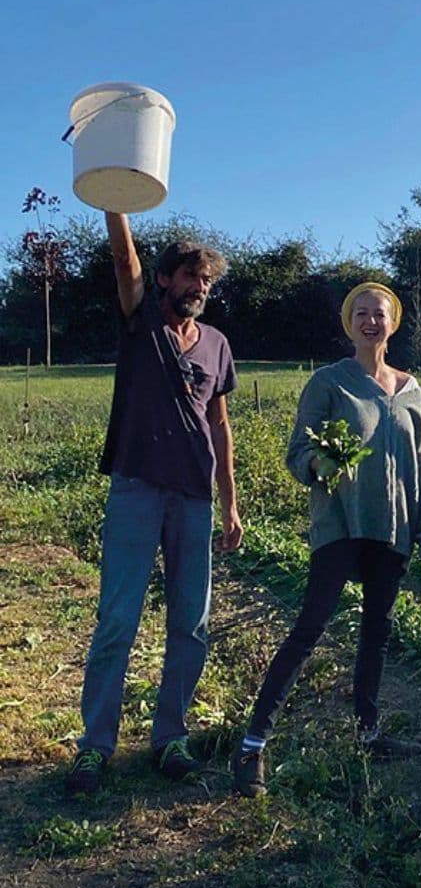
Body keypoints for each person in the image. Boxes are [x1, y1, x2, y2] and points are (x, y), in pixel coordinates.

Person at [230, 282, 421, 798]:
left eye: (381, 314)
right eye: (362, 313)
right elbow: (298, 450)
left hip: (392, 528)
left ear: (393, 323)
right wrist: (318, 463)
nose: (371, 321)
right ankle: (253, 746)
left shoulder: (410, 388)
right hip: (341, 523)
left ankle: (368, 732)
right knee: (310, 628)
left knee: (378, 631)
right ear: (349, 324)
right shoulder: (329, 382)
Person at [65, 213, 242, 796]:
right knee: (118, 619)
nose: (199, 289)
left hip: (194, 497)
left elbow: (220, 425)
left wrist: (231, 505)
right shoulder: (141, 322)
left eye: (207, 282)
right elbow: (124, 262)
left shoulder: (216, 344)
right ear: (164, 280)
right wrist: (117, 196)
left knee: (190, 623)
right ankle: (95, 748)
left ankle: (171, 737)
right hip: (137, 488)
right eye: (190, 278)